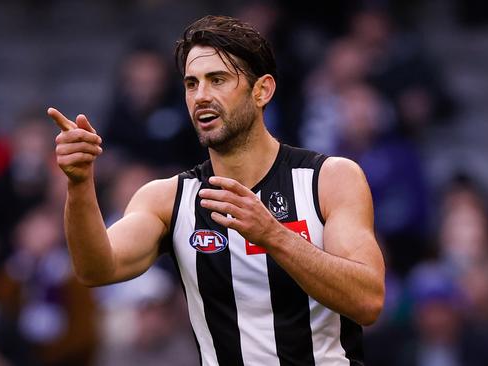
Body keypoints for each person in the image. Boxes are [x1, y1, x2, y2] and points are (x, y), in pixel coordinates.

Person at [47, 15, 385, 365]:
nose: (201, 96)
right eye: (191, 84)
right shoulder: (167, 198)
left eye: (217, 80)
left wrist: (273, 235)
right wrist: (79, 182)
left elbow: (367, 301)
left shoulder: (330, 179)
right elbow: (95, 269)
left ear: (262, 90)